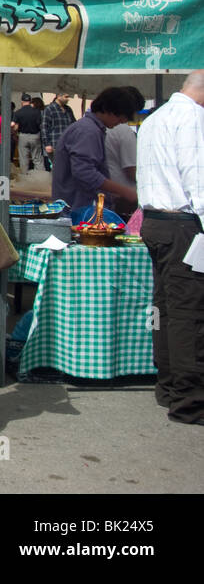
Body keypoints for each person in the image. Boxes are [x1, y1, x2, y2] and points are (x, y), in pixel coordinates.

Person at [136, 70, 204, 425]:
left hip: (156, 221)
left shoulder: (156, 117)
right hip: (182, 224)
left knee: (164, 307)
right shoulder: (191, 117)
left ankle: (169, 387)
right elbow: (198, 178)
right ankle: (189, 399)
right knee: (187, 314)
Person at [50, 87, 140, 212]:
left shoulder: (93, 129)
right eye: (119, 118)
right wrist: (124, 191)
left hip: (81, 206)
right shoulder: (88, 131)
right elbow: (85, 173)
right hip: (78, 208)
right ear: (109, 110)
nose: (120, 122)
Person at [104, 86, 144, 218]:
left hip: (107, 192)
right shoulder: (124, 131)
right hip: (123, 196)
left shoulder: (101, 127)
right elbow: (131, 169)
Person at [41, 92, 76, 168]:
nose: (68, 99)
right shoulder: (49, 109)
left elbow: (74, 125)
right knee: (58, 168)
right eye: (66, 97)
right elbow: (44, 127)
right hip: (55, 144)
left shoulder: (68, 109)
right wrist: (47, 144)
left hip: (68, 144)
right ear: (58, 96)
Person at [13, 94, 43, 172]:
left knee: (23, 159)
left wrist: (15, 134)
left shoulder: (18, 112)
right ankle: (40, 176)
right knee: (37, 158)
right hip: (35, 136)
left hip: (23, 136)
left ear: (22, 101)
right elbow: (40, 124)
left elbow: (14, 125)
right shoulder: (37, 112)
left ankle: (24, 177)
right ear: (30, 101)